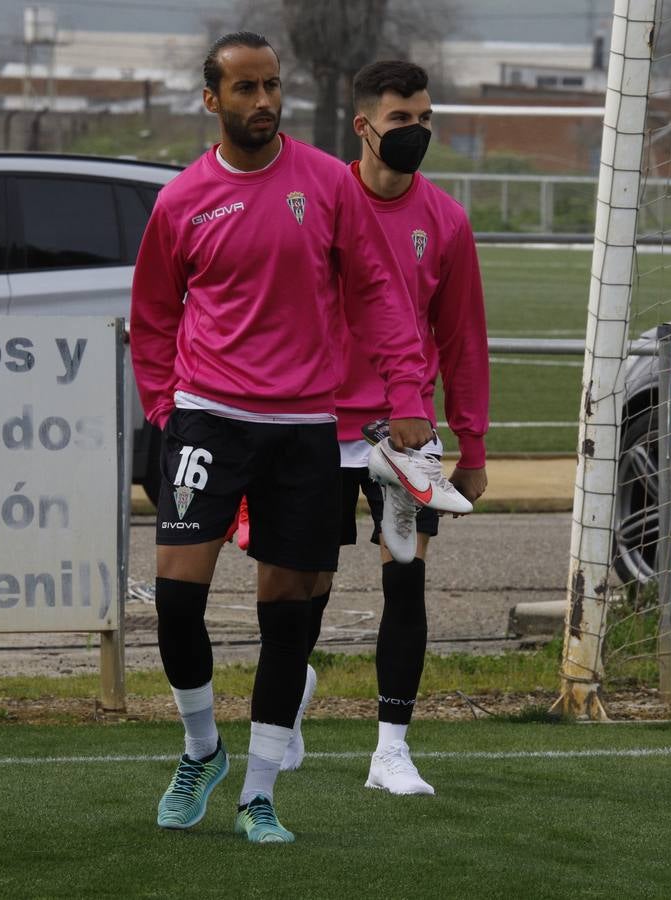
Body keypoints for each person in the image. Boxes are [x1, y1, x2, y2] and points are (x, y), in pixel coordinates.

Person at [130, 32, 433, 844]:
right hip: (206, 416)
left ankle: (259, 793)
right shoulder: (182, 199)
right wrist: (164, 410)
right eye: (244, 90)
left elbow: (376, 292)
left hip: (303, 426)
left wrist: (408, 393)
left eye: (271, 88)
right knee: (175, 599)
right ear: (212, 100)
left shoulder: (329, 186)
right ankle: (202, 749)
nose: (262, 102)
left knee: (287, 612)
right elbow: (155, 315)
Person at [283, 60, 490, 794]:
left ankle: (391, 751)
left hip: (405, 432)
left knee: (406, 579)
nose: (418, 131)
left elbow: (463, 339)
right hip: (313, 421)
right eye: (402, 119)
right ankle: (288, 697)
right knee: (306, 586)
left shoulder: (447, 221)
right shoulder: (314, 202)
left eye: (426, 117)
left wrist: (474, 443)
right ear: (364, 126)